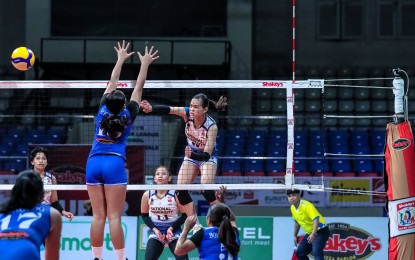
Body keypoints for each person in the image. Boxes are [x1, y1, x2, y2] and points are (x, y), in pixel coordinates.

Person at [86, 40, 159, 260]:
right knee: (114, 217)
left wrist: (120, 59)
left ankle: (97, 258)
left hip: (93, 162)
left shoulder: (101, 111)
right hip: (114, 163)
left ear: (107, 101)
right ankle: (121, 259)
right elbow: (139, 86)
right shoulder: (129, 115)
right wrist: (144, 63)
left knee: (98, 216)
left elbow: (113, 80)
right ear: (124, 103)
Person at [139, 94, 227, 218]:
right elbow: (169, 109)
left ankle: (221, 214)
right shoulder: (186, 113)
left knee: (206, 187)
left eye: (196, 107)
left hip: (207, 157)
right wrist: (151, 108)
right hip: (191, 155)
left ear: (205, 110)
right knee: (180, 190)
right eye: (191, 105)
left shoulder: (212, 127)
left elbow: (206, 155)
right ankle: (193, 221)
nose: (192, 109)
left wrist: (193, 155)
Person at [0, 170, 62, 260]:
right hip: (25, 250)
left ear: (15, 190)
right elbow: (52, 257)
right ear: (41, 192)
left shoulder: (3, 210)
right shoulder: (51, 213)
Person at [174, 186, 240, 259]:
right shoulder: (233, 233)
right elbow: (232, 218)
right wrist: (221, 202)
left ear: (209, 220)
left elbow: (178, 250)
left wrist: (186, 228)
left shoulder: (203, 233)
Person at [140, 165, 188, 260]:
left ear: (169, 178)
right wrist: (155, 230)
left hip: (174, 231)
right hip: (157, 231)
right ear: (154, 178)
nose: (160, 176)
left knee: (183, 258)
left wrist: (171, 228)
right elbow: (144, 216)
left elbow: (184, 215)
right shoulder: (147, 194)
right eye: (157, 174)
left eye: (163, 174)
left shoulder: (175, 194)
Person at [30, 146, 74, 221]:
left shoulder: (52, 178)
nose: (41, 161)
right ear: (32, 162)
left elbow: (54, 201)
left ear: (47, 162)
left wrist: (63, 212)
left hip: (46, 213)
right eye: (38, 158)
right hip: (30, 213)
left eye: (44, 158)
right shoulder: (27, 177)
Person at [287, 189, 330, 260]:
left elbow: (316, 219)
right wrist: (295, 235)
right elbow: (297, 222)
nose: (291, 198)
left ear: (299, 195)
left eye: (294, 195)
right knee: (300, 252)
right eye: (289, 196)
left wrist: (313, 233)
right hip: (309, 233)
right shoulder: (292, 208)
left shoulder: (307, 205)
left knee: (317, 252)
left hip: (320, 231)